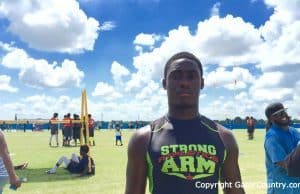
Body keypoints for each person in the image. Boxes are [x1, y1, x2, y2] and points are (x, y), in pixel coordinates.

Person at [125, 52, 245, 194]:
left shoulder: (224, 137)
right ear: (165, 83)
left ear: (202, 83)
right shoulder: (144, 138)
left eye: (192, 76)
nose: (184, 83)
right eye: (176, 76)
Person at [264, 102, 300, 194]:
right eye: (278, 114)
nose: (283, 115)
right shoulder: (272, 137)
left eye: (283, 111)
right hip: (281, 187)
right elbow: (286, 164)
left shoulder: (293, 131)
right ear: (271, 119)